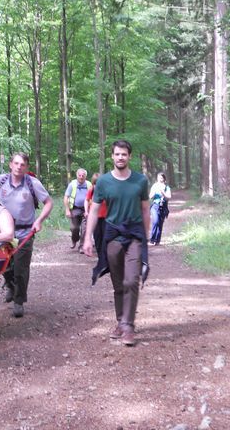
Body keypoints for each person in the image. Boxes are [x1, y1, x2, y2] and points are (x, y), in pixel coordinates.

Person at [83, 140, 149, 347]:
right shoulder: (102, 182)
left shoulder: (140, 181)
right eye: (117, 154)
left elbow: (146, 209)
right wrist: (87, 238)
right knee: (118, 282)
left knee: (131, 280)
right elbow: (94, 210)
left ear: (130, 156)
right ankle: (121, 321)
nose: (121, 157)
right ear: (112, 156)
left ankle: (129, 325)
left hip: (135, 234)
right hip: (112, 235)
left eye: (124, 154)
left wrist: (145, 237)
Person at [0, 153, 53, 318]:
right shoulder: (0, 181)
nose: (19, 167)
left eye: (22, 164)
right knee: (2, 265)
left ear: (26, 167)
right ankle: (11, 287)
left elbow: (48, 202)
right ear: (10, 164)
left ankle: (19, 301)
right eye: (16, 163)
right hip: (4, 233)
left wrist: (39, 220)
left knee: (20, 268)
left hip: (25, 232)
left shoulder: (32, 183)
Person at [63, 168, 92, 253]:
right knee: (74, 228)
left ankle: (82, 246)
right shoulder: (72, 184)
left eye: (83, 175)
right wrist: (67, 210)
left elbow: (93, 197)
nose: (81, 177)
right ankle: (74, 239)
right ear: (77, 175)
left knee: (85, 228)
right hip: (75, 209)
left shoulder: (89, 184)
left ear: (86, 176)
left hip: (86, 210)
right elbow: (66, 197)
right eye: (79, 175)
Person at [84, 172, 108, 274]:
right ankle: (101, 259)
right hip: (95, 219)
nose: (97, 185)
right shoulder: (91, 190)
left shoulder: (107, 191)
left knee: (106, 239)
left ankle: (106, 259)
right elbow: (86, 200)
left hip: (106, 218)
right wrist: (86, 211)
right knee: (98, 239)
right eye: (95, 183)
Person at [149, 172, 171, 245]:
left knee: (160, 223)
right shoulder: (154, 186)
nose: (160, 179)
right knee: (155, 221)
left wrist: (163, 193)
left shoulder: (167, 187)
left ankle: (157, 240)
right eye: (158, 177)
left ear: (164, 179)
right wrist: (155, 193)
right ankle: (152, 238)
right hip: (155, 206)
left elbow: (169, 197)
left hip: (163, 207)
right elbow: (150, 196)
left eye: (161, 178)